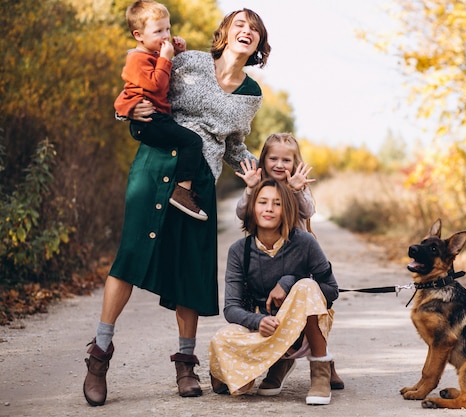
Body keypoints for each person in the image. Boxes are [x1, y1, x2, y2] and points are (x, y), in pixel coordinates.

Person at [82, 7, 271, 406]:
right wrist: (124, 110)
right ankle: (99, 355)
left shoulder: (251, 94)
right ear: (224, 32)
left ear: (259, 43)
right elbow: (142, 86)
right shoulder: (187, 62)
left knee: (191, 269)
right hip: (154, 164)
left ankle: (185, 363)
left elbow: (234, 143)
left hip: (199, 180)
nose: (246, 31)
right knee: (131, 258)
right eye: (240, 23)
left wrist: (259, 170)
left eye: (254, 29)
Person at [208, 179, 339, 405]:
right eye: (263, 202)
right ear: (252, 208)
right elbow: (231, 308)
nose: (269, 208)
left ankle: (320, 372)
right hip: (265, 329)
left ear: (286, 210)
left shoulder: (305, 243)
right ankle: (280, 362)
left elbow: (331, 290)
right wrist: (259, 321)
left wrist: (290, 282)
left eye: (277, 204)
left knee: (306, 286)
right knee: (221, 340)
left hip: (304, 330)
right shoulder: (239, 250)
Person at [234, 132, 345, 389]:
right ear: (264, 159)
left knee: (311, 313)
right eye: (273, 158)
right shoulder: (258, 185)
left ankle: (325, 365)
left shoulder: (298, 185)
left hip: (299, 265)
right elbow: (242, 213)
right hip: (267, 261)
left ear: (295, 163)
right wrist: (250, 189)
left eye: (286, 159)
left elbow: (308, 211)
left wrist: (296, 190)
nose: (280, 165)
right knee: (272, 314)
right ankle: (278, 364)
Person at [114, 0, 207, 221]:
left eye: (168, 28)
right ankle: (181, 192)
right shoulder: (136, 59)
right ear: (139, 35)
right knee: (193, 142)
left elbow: (163, 80)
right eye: (158, 31)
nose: (165, 35)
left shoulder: (153, 56)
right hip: (149, 122)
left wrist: (176, 55)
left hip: (155, 120)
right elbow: (156, 85)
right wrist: (165, 58)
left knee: (184, 142)